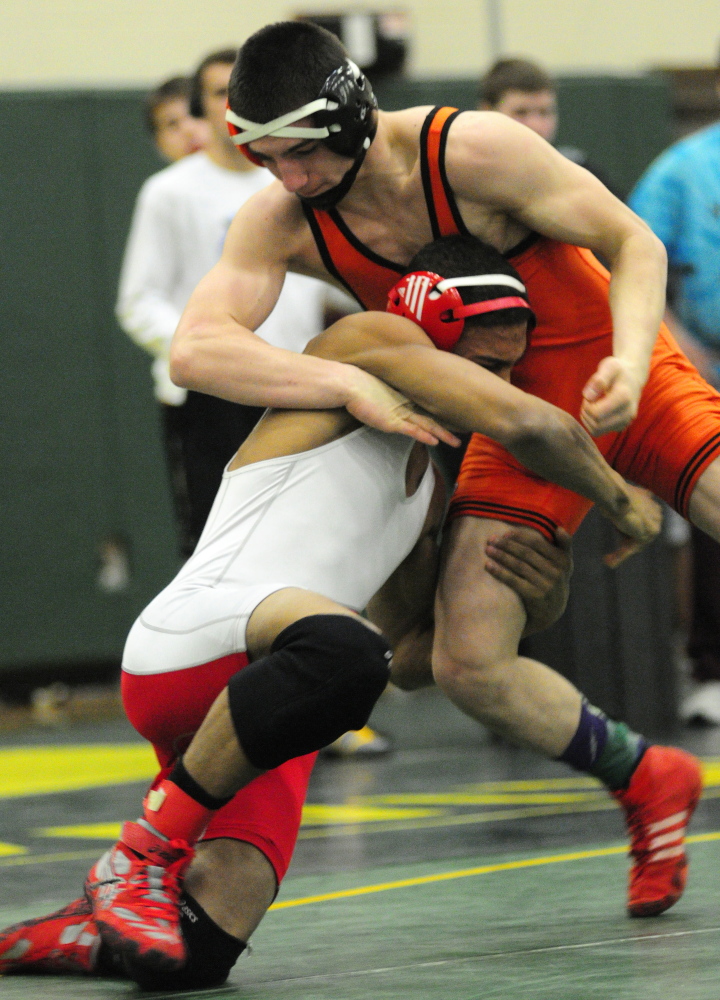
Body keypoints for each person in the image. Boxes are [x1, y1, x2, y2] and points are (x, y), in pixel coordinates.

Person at [0, 236, 662, 989]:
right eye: (485, 368)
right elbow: (534, 426)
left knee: (195, 957)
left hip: (280, 707)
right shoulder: (365, 344)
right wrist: (622, 502)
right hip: (199, 637)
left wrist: (545, 600)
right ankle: (137, 857)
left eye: (514, 368)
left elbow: (408, 660)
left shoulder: (428, 497)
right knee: (345, 654)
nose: (502, 387)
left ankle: (69, 935)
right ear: (430, 331)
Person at [160, 20, 710, 921]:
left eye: (297, 154)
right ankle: (647, 778)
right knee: (465, 660)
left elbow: (633, 243)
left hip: (622, 376)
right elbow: (195, 348)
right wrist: (345, 377)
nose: (287, 180)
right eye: (264, 159)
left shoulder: (471, 150)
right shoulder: (285, 217)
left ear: (348, 116)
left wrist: (637, 357)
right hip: (506, 415)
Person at [116, 47, 329, 559]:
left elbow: (321, 287)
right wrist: (212, 353)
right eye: (218, 92)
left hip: (298, 388)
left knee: (305, 542)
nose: (234, 101)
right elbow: (138, 301)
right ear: (199, 107)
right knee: (219, 549)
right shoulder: (169, 193)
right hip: (210, 400)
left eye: (242, 87)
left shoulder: (293, 182)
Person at [629, 68, 720, 725]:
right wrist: (685, 347)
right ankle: (712, 666)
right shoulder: (680, 171)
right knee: (712, 517)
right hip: (706, 362)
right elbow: (633, 266)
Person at [478, 57, 617, 192]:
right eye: (520, 112)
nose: (535, 125)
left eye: (544, 112)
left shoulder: (580, 173)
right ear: (488, 112)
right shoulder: (469, 177)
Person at [143, 75, 209, 163]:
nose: (188, 129)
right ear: (158, 143)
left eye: (196, 113)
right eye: (172, 123)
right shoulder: (163, 177)